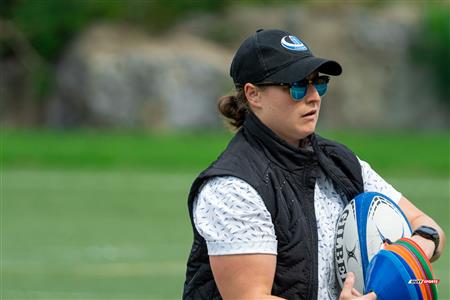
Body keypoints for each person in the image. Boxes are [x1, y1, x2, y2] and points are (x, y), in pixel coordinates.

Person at [182, 29, 446, 300]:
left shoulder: (339, 161)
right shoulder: (233, 186)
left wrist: (417, 247)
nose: (314, 97)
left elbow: (425, 224)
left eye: (318, 83)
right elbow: (249, 297)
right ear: (253, 95)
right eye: (297, 86)